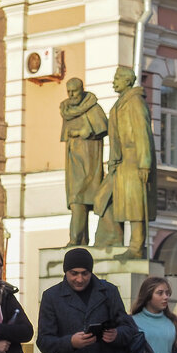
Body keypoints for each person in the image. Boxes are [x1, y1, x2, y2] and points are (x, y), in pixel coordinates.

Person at [94, 66, 155, 259]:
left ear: (128, 81)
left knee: (136, 205)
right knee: (109, 199)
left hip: (134, 159)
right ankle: (112, 239)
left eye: (118, 78)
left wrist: (145, 163)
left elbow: (142, 133)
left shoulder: (135, 102)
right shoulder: (122, 103)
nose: (114, 81)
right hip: (121, 162)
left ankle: (136, 248)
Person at [59, 78, 108, 246]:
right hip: (73, 160)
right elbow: (66, 134)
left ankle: (75, 240)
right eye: (69, 91)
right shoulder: (66, 109)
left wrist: (87, 131)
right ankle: (82, 240)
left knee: (78, 200)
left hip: (89, 162)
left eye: (74, 91)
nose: (71, 95)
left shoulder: (92, 108)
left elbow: (103, 127)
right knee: (76, 200)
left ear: (82, 90)